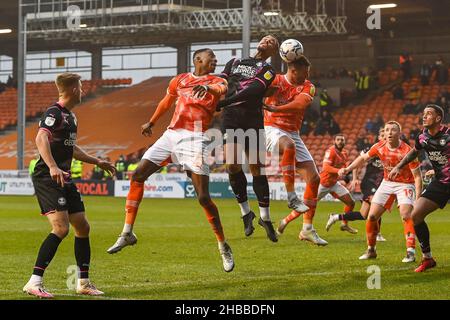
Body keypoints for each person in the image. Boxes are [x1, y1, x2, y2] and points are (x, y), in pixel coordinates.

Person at [107, 48, 235, 272]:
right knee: (137, 175)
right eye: (210, 58)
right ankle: (127, 232)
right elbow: (167, 101)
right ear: (197, 60)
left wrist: (208, 87)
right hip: (171, 135)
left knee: (204, 197)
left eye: (216, 58)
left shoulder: (217, 80)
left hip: (196, 138)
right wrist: (151, 122)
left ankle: (223, 245)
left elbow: (221, 88)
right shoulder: (180, 80)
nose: (214, 61)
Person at [23, 73, 116, 298]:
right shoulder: (54, 112)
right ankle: (34, 282)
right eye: (81, 87)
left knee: (82, 226)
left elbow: (71, 148)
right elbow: (40, 138)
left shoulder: (71, 117)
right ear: (74, 88)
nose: (83, 91)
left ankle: (83, 282)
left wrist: (97, 161)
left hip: (64, 177)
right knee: (61, 228)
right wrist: (53, 167)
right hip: (48, 176)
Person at [217, 35, 279, 242]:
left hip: (251, 118)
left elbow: (253, 91)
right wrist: (212, 93)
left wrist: (226, 102)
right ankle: (246, 213)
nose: (268, 41)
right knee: (232, 165)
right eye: (266, 38)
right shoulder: (235, 62)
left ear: (275, 51)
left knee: (257, 168)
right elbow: (221, 82)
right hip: (231, 118)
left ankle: (265, 218)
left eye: (273, 42)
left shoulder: (269, 71)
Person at [341, 121, 423, 262]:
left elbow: (417, 177)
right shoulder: (379, 146)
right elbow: (362, 158)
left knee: (405, 214)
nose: (389, 132)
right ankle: (371, 250)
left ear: (400, 133)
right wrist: (347, 169)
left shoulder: (408, 152)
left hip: (405, 184)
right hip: (387, 183)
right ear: (384, 133)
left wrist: (418, 198)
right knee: (371, 217)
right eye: (387, 130)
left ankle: (410, 251)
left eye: (393, 130)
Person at [262, 55, 321, 242]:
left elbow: (300, 104)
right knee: (288, 145)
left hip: (292, 132)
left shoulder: (308, 86)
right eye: (305, 72)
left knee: (314, 178)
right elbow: (257, 91)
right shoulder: (276, 80)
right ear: (293, 70)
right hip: (270, 128)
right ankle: (291, 196)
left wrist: (277, 109)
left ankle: (307, 229)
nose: (307, 76)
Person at [389, 105, 449, 272]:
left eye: (428, 114)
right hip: (441, 182)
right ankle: (427, 258)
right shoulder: (422, 137)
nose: (424, 117)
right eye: (423, 114)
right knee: (415, 215)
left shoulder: (448, 135)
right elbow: (414, 153)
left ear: (438, 118)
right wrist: (399, 166)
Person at [325, 128, 387, 242]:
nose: (385, 136)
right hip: (369, 183)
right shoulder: (372, 149)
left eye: (386, 134)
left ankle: (336, 217)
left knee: (364, 214)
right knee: (376, 204)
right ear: (379, 137)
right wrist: (354, 178)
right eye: (382, 134)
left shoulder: (390, 151)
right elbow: (358, 162)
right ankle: (376, 235)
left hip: (380, 184)